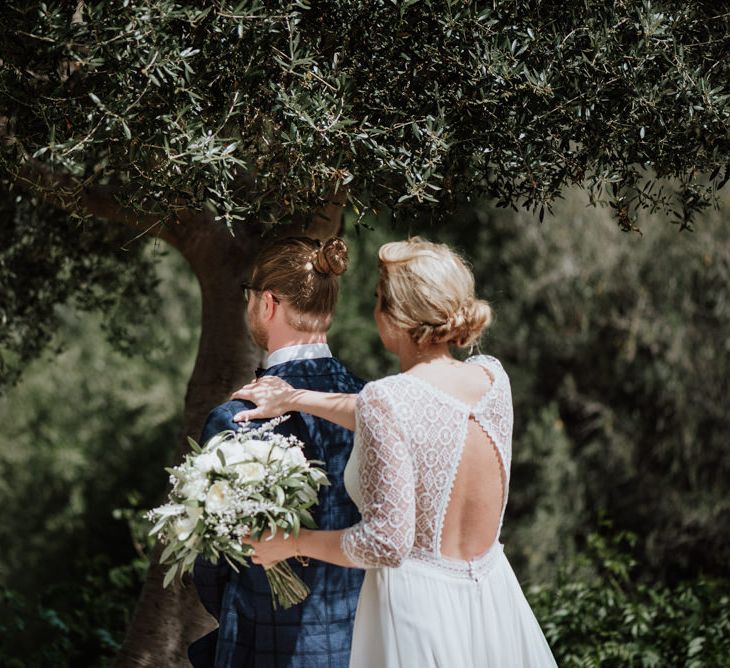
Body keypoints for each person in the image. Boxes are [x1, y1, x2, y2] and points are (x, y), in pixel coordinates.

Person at [231, 237, 558, 667]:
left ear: (397, 316)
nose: (374, 311)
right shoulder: (492, 380)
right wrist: (295, 398)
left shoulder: (388, 399)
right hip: (494, 604)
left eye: (378, 299)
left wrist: (291, 543)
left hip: (418, 615)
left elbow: (386, 542)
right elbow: (410, 417)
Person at [189, 237, 365, 668]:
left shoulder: (236, 418)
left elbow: (212, 564)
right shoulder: (373, 404)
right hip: (365, 642)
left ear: (267, 303)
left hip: (263, 644)